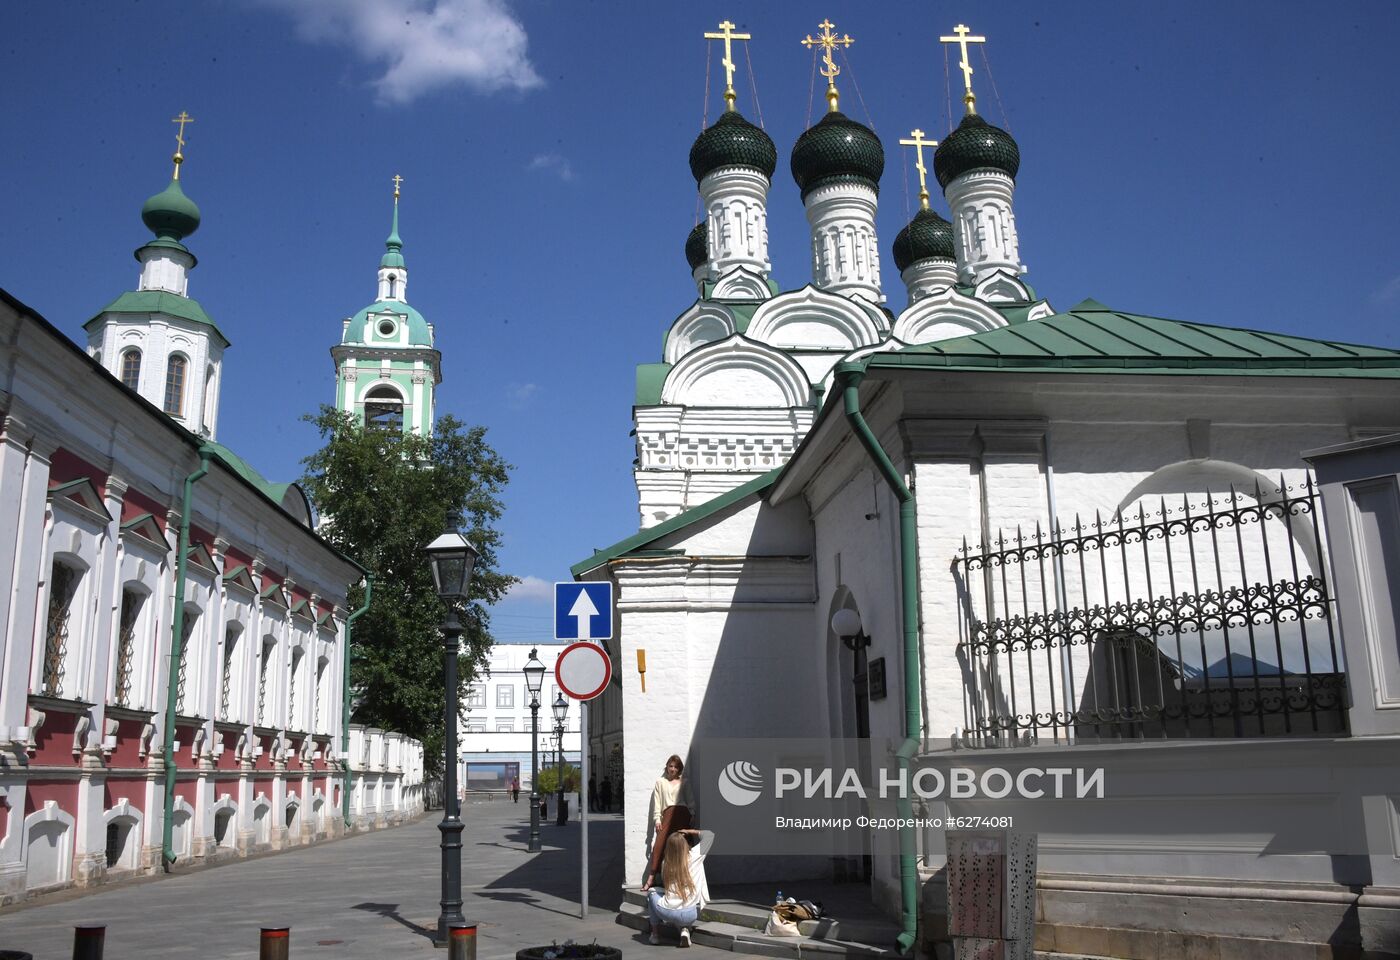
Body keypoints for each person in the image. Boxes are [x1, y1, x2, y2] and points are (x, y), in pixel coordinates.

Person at [647, 828, 713, 948]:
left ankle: (655, 935)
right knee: (684, 903)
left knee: (651, 893)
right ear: (685, 845)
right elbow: (709, 835)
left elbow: (664, 885)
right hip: (690, 914)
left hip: (667, 913)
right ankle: (684, 930)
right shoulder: (695, 856)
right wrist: (689, 831)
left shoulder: (666, 863)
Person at [642, 755, 691, 891]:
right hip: (668, 815)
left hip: (682, 814)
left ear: (679, 769)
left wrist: (692, 817)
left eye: (675, 767)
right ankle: (651, 877)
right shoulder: (660, 782)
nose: (672, 769)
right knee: (659, 845)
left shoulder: (684, 782)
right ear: (667, 767)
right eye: (671, 766)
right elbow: (657, 803)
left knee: (682, 847)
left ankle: (684, 879)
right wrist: (657, 819)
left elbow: (691, 801)